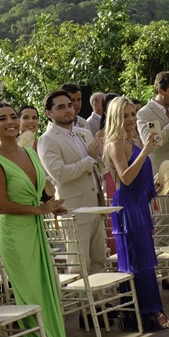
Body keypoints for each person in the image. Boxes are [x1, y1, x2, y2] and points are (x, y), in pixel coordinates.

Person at [0, 102, 78, 337]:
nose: (10, 122)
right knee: (30, 292)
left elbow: (40, 192)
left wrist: (52, 206)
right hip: (15, 234)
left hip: (35, 228)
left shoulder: (29, 152)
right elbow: (0, 206)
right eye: (1, 119)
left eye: (13, 116)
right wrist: (40, 208)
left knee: (45, 287)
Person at [103, 98, 169, 331]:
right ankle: (150, 314)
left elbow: (139, 181)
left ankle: (141, 315)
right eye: (125, 115)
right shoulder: (116, 144)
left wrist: (154, 187)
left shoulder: (133, 140)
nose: (131, 119)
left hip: (140, 205)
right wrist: (145, 151)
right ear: (115, 117)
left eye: (133, 114)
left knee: (145, 261)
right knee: (140, 263)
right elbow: (124, 179)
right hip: (127, 209)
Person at [38, 89, 106, 274]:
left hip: (96, 204)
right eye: (61, 107)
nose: (68, 110)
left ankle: (101, 302)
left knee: (100, 260)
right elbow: (59, 174)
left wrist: (103, 158)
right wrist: (90, 160)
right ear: (49, 114)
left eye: (69, 105)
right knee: (79, 262)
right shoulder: (47, 139)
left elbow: (98, 168)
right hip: (73, 208)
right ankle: (83, 303)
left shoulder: (83, 132)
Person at [137, 73, 169, 235]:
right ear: (160, 90)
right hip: (161, 177)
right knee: (164, 227)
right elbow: (152, 143)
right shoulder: (145, 113)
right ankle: (163, 261)